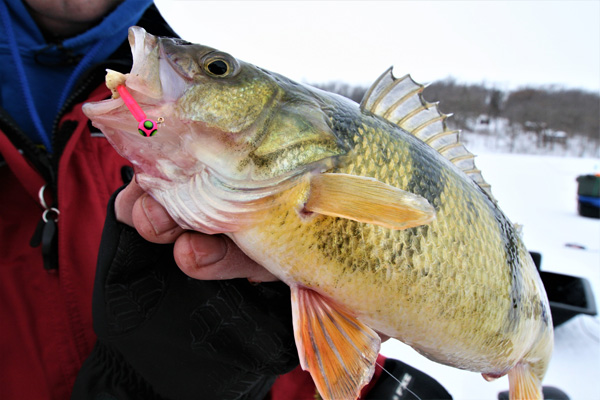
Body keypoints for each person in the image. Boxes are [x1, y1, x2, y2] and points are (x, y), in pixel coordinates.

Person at [0, 1, 453, 399]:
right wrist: (147, 377)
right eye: (215, 69)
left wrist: (366, 388)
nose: (201, 73)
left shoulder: (173, 110)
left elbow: (343, 340)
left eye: (216, 69)